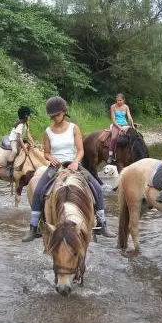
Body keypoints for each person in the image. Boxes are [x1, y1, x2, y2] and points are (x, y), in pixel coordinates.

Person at [22, 96, 115, 242]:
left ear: (64, 112)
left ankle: (102, 224)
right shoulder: (48, 131)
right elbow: (46, 152)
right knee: (39, 190)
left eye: (57, 115)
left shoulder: (73, 128)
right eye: (52, 116)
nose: (55, 118)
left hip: (73, 164)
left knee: (96, 187)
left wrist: (76, 162)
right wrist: (50, 158)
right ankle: (33, 227)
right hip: (55, 166)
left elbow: (80, 150)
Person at [6, 106, 35, 177]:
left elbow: (28, 135)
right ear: (25, 116)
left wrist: (33, 143)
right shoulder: (20, 125)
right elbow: (19, 139)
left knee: (30, 147)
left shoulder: (26, 124)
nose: (30, 117)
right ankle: (8, 167)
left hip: (20, 139)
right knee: (14, 151)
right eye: (29, 115)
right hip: (14, 140)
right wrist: (25, 150)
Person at [107, 93, 135, 165]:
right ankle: (110, 155)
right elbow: (113, 119)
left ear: (123, 100)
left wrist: (131, 123)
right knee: (113, 137)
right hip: (116, 124)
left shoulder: (126, 107)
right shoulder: (113, 107)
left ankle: (133, 153)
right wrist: (119, 127)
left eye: (120, 100)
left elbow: (129, 116)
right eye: (117, 100)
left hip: (125, 124)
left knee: (134, 136)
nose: (119, 102)